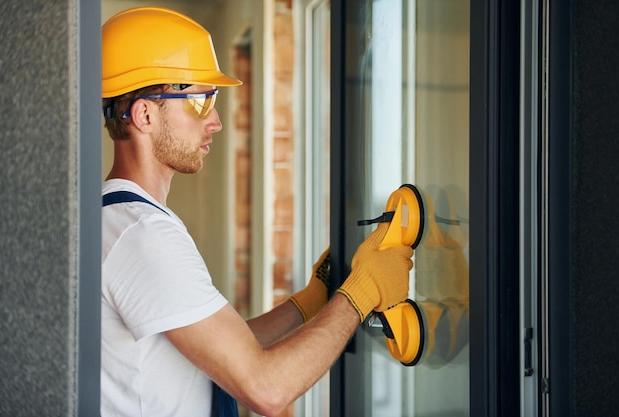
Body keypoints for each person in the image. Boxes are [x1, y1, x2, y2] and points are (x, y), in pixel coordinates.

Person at [101, 6, 414, 417]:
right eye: (200, 101)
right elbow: (265, 389)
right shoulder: (143, 236)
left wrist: (309, 303)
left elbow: (221, 352)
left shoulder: (119, 219)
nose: (214, 121)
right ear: (144, 114)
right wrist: (360, 294)